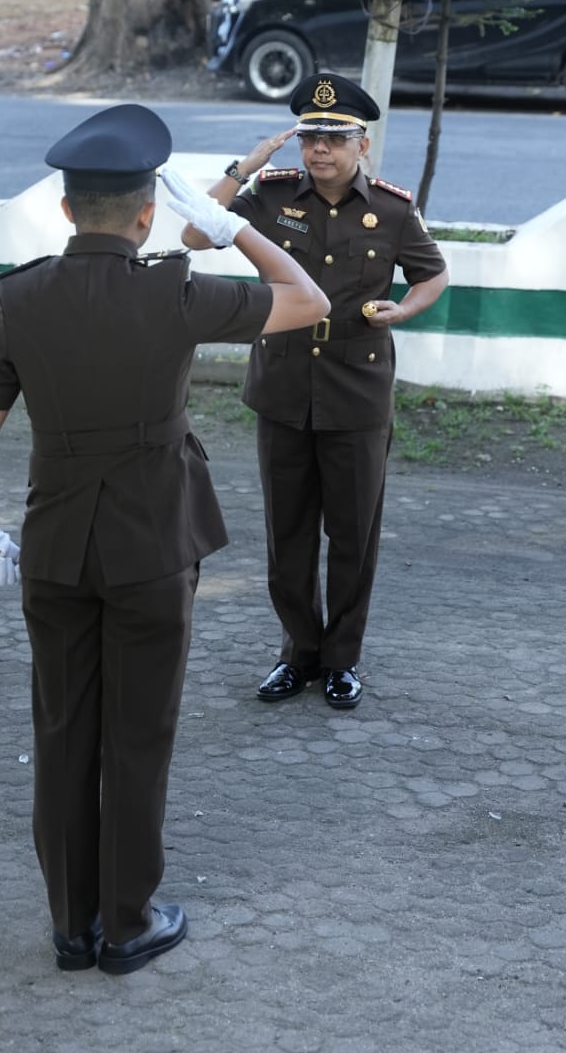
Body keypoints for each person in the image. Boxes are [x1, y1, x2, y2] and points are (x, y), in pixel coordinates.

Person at [0, 103, 328, 976]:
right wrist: (231, 224)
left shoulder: (17, 296)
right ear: (147, 212)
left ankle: (71, 926)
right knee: (136, 734)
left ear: (63, 210)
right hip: (153, 549)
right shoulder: (175, 287)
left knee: (62, 733)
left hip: (52, 550)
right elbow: (309, 300)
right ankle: (128, 925)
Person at [179, 73, 449, 710]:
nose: (319, 150)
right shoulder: (269, 196)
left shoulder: (392, 207)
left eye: (333, 138)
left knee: (353, 535)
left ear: (362, 143)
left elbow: (433, 275)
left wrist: (404, 312)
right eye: (309, 138)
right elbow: (195, 234)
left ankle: (343, 659)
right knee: (290, 532)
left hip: (356, 393)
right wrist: (242, 167)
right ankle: (297, 653)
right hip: (283, 389)